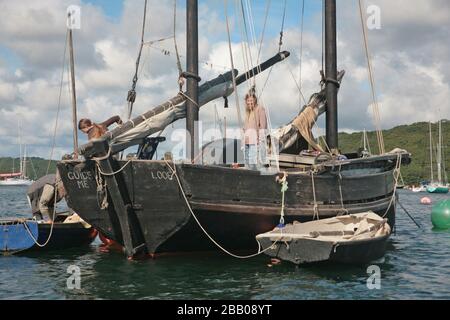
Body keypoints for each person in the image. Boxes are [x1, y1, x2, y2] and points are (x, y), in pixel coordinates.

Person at [243, 91, 267, 170]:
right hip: (247, 144)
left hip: (256, 144)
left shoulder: (260, 109)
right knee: (248, 168)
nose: (249, 103)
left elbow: (263, 127)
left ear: (255, 100)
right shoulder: (248, 112)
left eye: (251, 100)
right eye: (248, 101)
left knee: (255, 169)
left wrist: (261, 142)